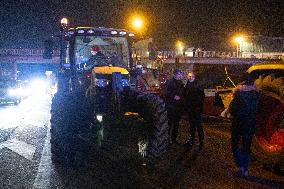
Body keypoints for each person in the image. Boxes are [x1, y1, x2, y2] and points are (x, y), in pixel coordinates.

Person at [228, 75, 260, 177]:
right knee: (246, 147)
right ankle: (245, 169)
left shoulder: (238, 94)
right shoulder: (256, 95)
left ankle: (240, 167)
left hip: (238, 124)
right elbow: (258, 109)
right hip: (250, 124)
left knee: (235, 144)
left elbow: (232, 110)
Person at [183, 71, 205, 151]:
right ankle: (192, 139)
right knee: (192, 125)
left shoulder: (198, 86)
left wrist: (199, 108)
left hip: (196, 109)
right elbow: (185, 96)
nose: (190, 77)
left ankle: (201, 140)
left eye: (191, 76)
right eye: (189, 76)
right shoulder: (187, 86)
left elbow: (202, 98)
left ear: (194, 77)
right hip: (190, 109)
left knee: (199, 125)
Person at [164, 68, 184, 144]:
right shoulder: (170, 83)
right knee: (169, 124)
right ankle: (167, 139)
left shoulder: (180, 83)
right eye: (179, 74)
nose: (180, 76)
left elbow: (182, 93)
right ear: (175, 75)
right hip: (171, 106)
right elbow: (166, 93)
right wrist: (173, 96)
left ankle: (174, 139)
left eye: (180, 74)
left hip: (178, 107)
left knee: (176, 124)